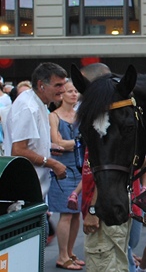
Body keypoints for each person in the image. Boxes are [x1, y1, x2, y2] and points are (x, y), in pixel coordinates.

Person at [78, 62, 132, 272]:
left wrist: (94, 209)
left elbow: (106, 169)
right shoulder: (106, 120)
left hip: (104, 207)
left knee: (106, 263)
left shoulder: (104, 125)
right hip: (109, 203)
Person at [4, 63, 68, 197]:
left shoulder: (36, 102)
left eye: (64, 84)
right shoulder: (28, 107)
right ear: (41, 85)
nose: (63, 90)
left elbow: (27, 143)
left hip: (33, 187)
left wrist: (47, 146)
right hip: (25, 191)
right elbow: (18, 150)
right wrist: (52, 164)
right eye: (58, 85)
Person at [49, 80, 84, 270]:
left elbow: (65, 143)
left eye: (75, 91)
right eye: (69, 91)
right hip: (62, 170)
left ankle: (70, 252)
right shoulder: (53, 116)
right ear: (61, 94)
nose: (73, 94)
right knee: (66, 214)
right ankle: (62, 255)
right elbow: (56, 142)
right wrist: (77, 141)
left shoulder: (79, 115)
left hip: (79, 168)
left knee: (76, 213)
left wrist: (69, 143)